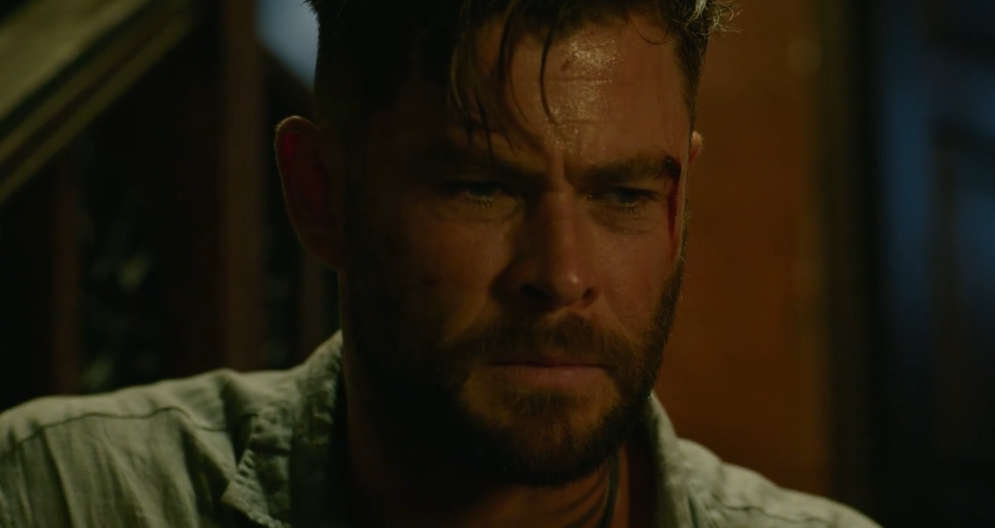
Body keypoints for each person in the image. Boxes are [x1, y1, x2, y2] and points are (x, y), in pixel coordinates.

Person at [0, 1, 882, 526]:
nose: (561, 275)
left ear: (677, 206)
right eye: (480, 188)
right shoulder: (59, 496)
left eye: (621, 195)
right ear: (320, 193)